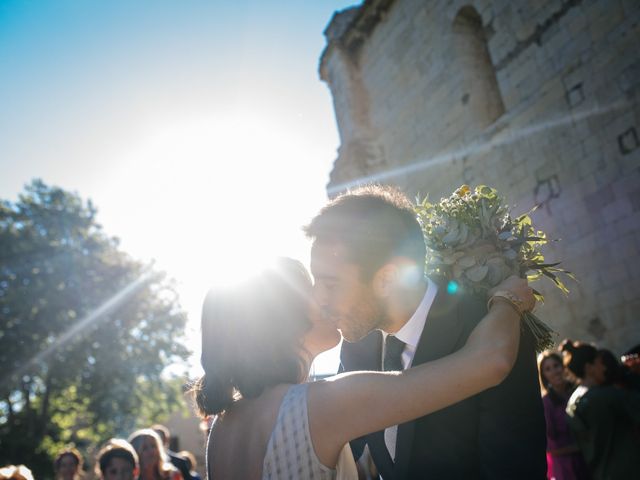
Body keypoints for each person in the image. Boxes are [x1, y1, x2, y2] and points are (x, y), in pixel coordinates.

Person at [191, 256, 534, 479]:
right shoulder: (323, 404)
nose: (327, 300)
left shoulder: (222, 429)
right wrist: (509, 300)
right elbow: (490, 361)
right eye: (313, 291)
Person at [305, 184, 547, 479]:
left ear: (386, 279)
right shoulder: (358, 345)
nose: (318, 299)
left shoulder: (492, 329)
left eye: (330, 284)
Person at [563, 339, 640, 480]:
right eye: (599, 363)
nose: (604, 368)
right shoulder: (607, 395)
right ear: (589, 367)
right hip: (629, 471)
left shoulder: (572, 403)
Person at [538, 351, 589, 480]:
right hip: (565, 468)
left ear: (563, 366)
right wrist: (578, 447)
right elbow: (549, 447)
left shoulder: (579, 392)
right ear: (544, 375)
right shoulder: (546, 404)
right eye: (548, 369)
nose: (554, 371)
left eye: (556, 366)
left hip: (589, 461)